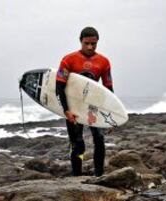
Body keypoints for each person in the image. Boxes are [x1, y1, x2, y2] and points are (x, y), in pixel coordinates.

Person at [55, 27, 113, 177]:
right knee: (78, 143)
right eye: (86, 43)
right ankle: (77, 176)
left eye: (93, 44)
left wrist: (111, 117)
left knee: (99, 139)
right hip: (74, 106)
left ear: (97, 42)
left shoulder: (104, 62)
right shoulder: (68, 60)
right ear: (80, 41)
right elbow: (59, 87)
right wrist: (66, 110)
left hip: (93, 106)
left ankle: (99, 175)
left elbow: (109, 89)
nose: (90, 47)